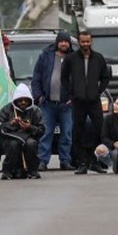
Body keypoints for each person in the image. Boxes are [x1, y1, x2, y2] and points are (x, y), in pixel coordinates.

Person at [61, 30, 111, 175]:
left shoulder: (98, 58)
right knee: (78, 132)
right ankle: (82, 163)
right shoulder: (71, 58)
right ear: (78, 42)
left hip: (94, 100)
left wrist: (99, 90)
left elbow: (105, 76)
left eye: (87, 41)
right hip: (78, 101)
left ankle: (96, 162)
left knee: (98, 129)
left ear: (91, 41)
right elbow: (64, 77)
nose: (85, 44)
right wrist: (72, 92)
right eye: (82, 42)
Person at [31, 31, 75, 170]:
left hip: (66, 105)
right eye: (61, 41)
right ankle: (42, 161)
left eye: (66, 41)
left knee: (67, 133)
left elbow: (80, 79)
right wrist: (39, 96)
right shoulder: (46, 56)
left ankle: (65, 161)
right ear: (57, 42)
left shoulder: (74, 58)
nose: (64, 44)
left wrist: (74, 98)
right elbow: (36, 77)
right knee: (45, 133)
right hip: (48, 103)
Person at [0, 83, 45, 180]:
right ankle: (8, 171)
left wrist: (29, 127)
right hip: (11, 137)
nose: (23, 102)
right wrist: (11, 123)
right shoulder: (6, 110)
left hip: (29, 137)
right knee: (13, 144)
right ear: (15, 100)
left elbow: (41, 130)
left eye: (26, 100)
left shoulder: (35, 111)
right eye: (20, 100)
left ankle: (32, 171)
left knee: (31, 144)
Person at [95, 94, 118, 172]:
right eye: (115, 103)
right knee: (100, 149)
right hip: (114, 147)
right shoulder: (109, 118)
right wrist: (113, 144)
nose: (115, 106)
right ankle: (111, 165)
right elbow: (103, 137)